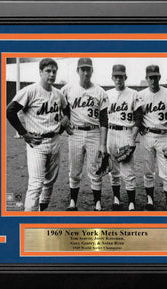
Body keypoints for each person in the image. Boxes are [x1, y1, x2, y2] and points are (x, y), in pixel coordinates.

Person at [6, 58, 71, 211]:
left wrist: (65, 119)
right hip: (37, 142)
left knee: (50, 181)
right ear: (40, 72)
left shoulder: (58, 94)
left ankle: (42, 212)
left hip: (55, 140)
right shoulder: (30, 91)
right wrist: (24, 133)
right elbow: (10, 111)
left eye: (54, 71)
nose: (52, 74)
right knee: (36, 184)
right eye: (48, 71)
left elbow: (67, 109)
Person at [61, 58, 108, 211]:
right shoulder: (67, 89)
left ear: (92, 71)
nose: (86, 72)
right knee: (74, 170)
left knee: (95, 170)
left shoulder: (100, 92)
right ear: (77, 71)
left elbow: (104, 120)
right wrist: (65, 119)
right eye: (83, 69)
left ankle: (97, 203)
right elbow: (61, 108)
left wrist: (103, 144)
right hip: (75, 133)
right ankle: (73, 202)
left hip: (94, 132)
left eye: (88, 69)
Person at [138, 65, 167, 211]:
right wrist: (138, 130)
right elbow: (138, 117)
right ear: (146, 78)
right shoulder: (141, 95)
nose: (153, 80)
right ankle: (150, 200)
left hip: (164, 137)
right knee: (148, 171)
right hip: (147, 136)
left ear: (159, 77)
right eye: (150, 77)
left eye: (155, 77)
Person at [105, 64, 142, 211]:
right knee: (113, 169)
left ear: (125, 77)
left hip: (126, 132)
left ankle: (131, 202)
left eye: (121, 76)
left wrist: (133, 137)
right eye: (116, 76)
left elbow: (139, 117)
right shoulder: (106, 94)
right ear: (112, 77)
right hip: (110, 133)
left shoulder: (134, 94)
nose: (118, 79)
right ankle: (116, 198)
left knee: (128, 170)